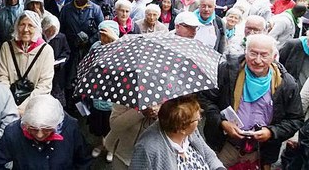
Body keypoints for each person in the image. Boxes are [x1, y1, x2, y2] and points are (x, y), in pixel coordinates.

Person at [200, 34, 304, 169]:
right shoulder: (227, 71)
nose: (258, 60)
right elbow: (206, 99)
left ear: (274, 56)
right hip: (226, 145)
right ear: (245, 52)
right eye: (253, 54)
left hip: (261, 151)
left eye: (264, 55)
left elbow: (295, 119)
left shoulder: (286, 84)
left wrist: (272, 132)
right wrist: (222, 122)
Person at [0, 94, 92, 169]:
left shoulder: (71, 128)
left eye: (47, 129)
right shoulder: (13, 133)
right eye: (33, 129)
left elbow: (83, 161)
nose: (39, 135)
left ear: (57, 124)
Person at [130, 95, 225, 170]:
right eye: (197, 119)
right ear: (181, 128)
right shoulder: (148, 148)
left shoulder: (191, 133)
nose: (200, 120)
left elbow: (208, 155)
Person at [0, 10, 55, 114]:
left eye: (30, 25)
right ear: (16, 26)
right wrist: (11, 105)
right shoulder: (7, 47)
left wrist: (23, 108)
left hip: (36, 106)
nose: (25, 29)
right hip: (8, 105)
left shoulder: (46, 50)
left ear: (37, 28)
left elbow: (44, 85)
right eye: (22, 24)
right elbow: (2, 78)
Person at [60, 0, 103, 105]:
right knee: (70, 76)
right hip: (71, 48)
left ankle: (84, 103)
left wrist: (89, 41)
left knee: (86, 76)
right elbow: (62, 28)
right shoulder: (67, 9)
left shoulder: (95, 9)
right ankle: (70, 102)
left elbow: (101, 29)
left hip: (87, 50)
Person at [89, 21, 120, 163]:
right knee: (98, 123)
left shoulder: (120, 48)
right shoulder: (95, 47)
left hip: (113, 93)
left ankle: (111, 148)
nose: (103, 38)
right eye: (101, 34)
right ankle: (100, 145)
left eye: (107, 35)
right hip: (96, 91)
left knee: (111, 124)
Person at [104, 104, 159, 169]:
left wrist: (159, 115)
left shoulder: (168, 99)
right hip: (121, 150)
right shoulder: (126, 96)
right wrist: (140, 112)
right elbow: (115, 125)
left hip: (148, 154)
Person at [41, 15, 70, 106]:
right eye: (48, 30)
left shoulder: (61, 37)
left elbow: (66, 52)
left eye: (53, 31)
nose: (50, 33)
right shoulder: (39, 38)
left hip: (57, 73)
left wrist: (59, 63)